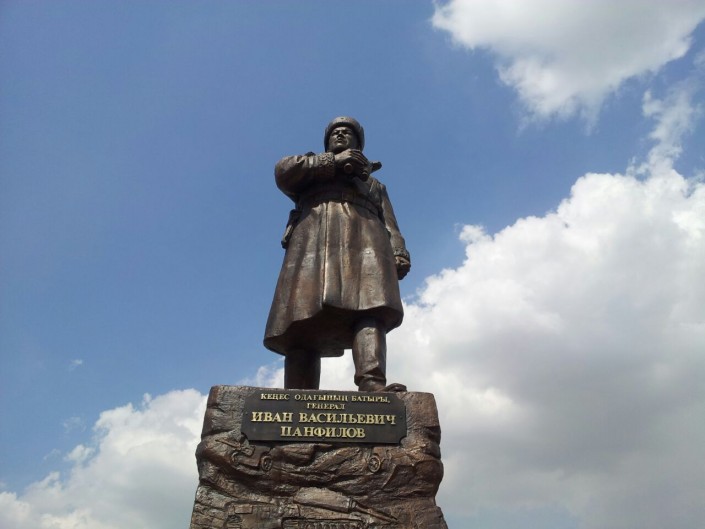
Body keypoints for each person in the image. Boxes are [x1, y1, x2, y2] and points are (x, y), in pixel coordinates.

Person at [264, 117, 410, 392]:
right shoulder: (311, 168)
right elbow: (283, 171)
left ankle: (372, 382)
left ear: (359, 144)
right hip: (312, 243)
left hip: (366, 242)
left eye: (347, 133)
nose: (340, 134)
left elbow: (390, 223)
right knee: (301, 316)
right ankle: (298, 393)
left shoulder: (375, 185)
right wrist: (332, 162)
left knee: (371, 308)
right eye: (335, 132)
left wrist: (399, 251)